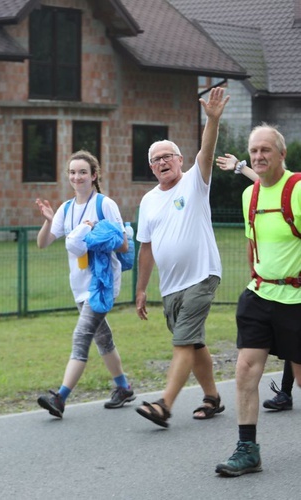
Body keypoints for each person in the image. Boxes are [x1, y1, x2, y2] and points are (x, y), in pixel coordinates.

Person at [134, 87, 229, 428]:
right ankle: (213, 397)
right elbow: (145, 247)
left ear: (180, 159)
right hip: (171, 285)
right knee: (194, 340)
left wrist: (212, 120)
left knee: (183, 341)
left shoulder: (194, 182)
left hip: (202, 275)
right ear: (151, 167)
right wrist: (142, 289)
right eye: (156, 159)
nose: (162, 162)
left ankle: (164, 404)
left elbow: (207, 151)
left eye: (167, 156)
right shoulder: (147, 201)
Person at [215, 124, 301, 476]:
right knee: (246, 369)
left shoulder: (297, 190)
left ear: (282, 155)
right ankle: (247, 449)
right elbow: (253, 243)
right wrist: (255, 276)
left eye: (266, 150)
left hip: (297, 299)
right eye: (254, 151)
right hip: (260, 294)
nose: (258, 156)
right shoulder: (248, 196)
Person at [34, 150, 135, 419]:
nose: (76, 177)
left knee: (81, 337)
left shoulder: (105, 205)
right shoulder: (66, 209)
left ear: (93, 175)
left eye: (82, 172)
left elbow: (123, 244)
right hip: (79, 286)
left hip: (101, 285)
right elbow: (43, 243)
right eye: (72, 172)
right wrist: (48, 220)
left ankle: (60, 397)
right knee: (103, 338)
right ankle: (124, 388)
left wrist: (93, 234)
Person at [217, 154, 294, 412]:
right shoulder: (288, 185)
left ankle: (285, 392)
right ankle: (285, 393)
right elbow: (266, 183)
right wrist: (241, 167)